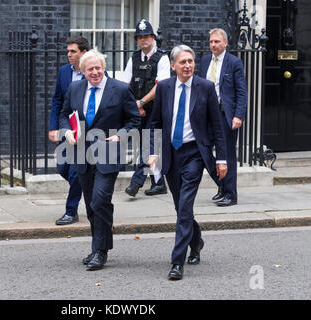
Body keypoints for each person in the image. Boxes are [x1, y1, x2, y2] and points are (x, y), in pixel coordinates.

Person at [148, 45, 227, 280]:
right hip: (171, 153)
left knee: (184, 207)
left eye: (191, 61)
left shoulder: (206, 88)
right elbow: (154, 124)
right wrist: (151, 153)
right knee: (180, 207)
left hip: (195, 154)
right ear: (173, 66)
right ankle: (197, 241)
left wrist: (221, 159)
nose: (188, 66)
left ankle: (176, 262)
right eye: (183, 62)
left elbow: (217, 127)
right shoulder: (163, 88)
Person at [60, 49, 141, 271]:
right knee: (90, 206)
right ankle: (99, 245)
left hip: (108, 152)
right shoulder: (75, 88)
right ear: (83, 71)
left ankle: (101, 251)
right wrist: (66, 131)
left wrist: (120, 135)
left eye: (98, 68)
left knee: (99, 200)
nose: (95, 72)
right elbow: (65, 114)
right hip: (82, 154)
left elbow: (134, 120)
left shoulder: (121, 90)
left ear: (103, 68)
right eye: (90, 69)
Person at [198, 28, 247, 207]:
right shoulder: (204, 61)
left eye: (217, 41)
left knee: (226, 155)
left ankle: (230, 194)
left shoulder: (234, 62)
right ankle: (221, 184)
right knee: (203, 150)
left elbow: (241, 92)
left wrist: (238, 115)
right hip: (206, 115)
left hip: (225, 115)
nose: (213, 45)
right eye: (211, 41)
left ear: (225, 43)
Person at [122, 19, 171, 197]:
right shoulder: (134, 58)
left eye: (146, 36)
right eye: (139, 37)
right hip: (137, 109)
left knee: (148, 146)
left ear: (153, 37)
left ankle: (136, 183)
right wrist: (133, 106)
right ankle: (159, 183)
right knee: (146, 146)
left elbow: (161, 86)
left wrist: (141, 103)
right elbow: (125, 84)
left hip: (155, 110)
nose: (143, 40)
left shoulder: (162, 58)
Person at [49, 36, 90, 226]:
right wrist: (53, 127)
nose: (69, 55)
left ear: (83, 52)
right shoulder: (64, 72)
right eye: (68, 51)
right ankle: (86, 180)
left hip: (87, 130)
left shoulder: (93, 71)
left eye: (72, 51)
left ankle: (70, 211)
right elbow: (57, 100)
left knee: (75, 172)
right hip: (67, 128)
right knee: (63, 167)